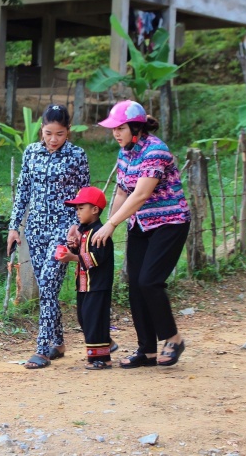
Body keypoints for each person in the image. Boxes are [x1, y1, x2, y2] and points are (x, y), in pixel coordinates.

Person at [90, 100, 190, 369]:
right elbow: (123, 191)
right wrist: (105, 225)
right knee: (135, 286)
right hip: (141, 225)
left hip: (170, 222)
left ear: (135, 127)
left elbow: (142, 193)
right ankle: (147, 350)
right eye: (113, 129)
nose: (115, 133)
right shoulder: (126, 151)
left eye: (120, 128)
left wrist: (112, 224)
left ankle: (173, 338)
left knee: (149, 281)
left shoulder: (155, 150)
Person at [6, 104, 90, 369]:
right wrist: (14, 226)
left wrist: (79, 226)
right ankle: (59, 342)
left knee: (49, 282)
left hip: (63, 229)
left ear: (68, 132)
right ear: (41, 129)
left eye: (60, 134)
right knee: (46, 289)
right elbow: (23, 191)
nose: (53, 139)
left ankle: (42, 349)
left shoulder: (77, 155)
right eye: (48, 133)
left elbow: (85, 196)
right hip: (36, 228)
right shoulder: (31, 152)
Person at [58, 186, 115, 370]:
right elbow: (82, 252)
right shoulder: (83, 231)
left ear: (95, 209)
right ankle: (105, 346)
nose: (78, 212)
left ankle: (102, 359)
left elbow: (95, 258)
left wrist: (73, 257)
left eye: (81, 208)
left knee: (94, 320)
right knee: (84, 319)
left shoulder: (100, 233)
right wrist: (72, 247)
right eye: (77, 208)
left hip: (97, 286)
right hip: (84, 285)